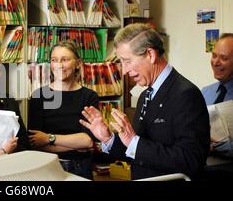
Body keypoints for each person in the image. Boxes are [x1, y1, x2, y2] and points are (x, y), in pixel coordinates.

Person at [79, 23, 210, 180]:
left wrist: (134, 141)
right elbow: (136, 151)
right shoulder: (145, 95)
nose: (125, 70)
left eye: (127, 61)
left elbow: (190, 161)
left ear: (150, 55)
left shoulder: (186, 94)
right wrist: (108, 139)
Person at [28, 41, 98, 179]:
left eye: (64, 60)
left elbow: (88, 141)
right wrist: (76, 145)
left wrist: (49, 138)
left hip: (80, 167)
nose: (59, 65)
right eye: (54, 60)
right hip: (47, 167)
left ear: (78, 63)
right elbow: (35, 142)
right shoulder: (39, 96)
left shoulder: (89, 97)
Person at [201, 33, 233, 157]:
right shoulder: (205, 92)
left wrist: (217, 146)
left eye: (223, 58)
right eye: (214, 56)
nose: (215, 62)